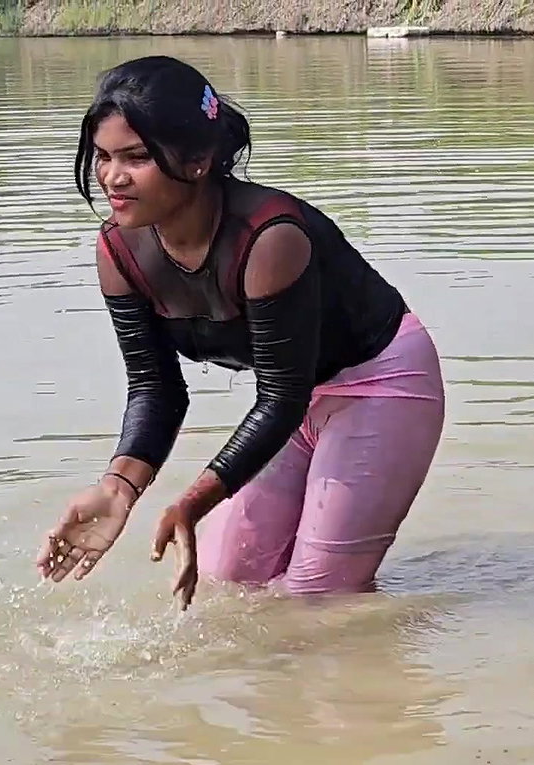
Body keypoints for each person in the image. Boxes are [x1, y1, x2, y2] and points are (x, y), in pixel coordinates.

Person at [35, 55, 446, 609]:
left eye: (136, 157)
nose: (112, 177)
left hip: (379, 383)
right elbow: (155, 388)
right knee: (233, 583)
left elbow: (281, 396)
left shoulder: (269, 237)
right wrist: (118, 489)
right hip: (296, 397)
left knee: (319, 597)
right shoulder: (119, 251)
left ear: (199, 159)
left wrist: (192, 502)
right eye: (104, 157)